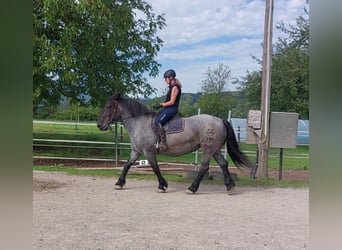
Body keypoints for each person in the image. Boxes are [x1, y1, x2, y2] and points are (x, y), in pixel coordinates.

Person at [154, 69, 182, 152]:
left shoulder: (175, 88)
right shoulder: (171, 87)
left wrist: (161, 105)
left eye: (165, 78)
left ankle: (163, 143)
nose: (165, 80)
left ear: (171, 78)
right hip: (168, 108)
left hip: (172, 109)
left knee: (158, 122)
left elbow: (172, 102)